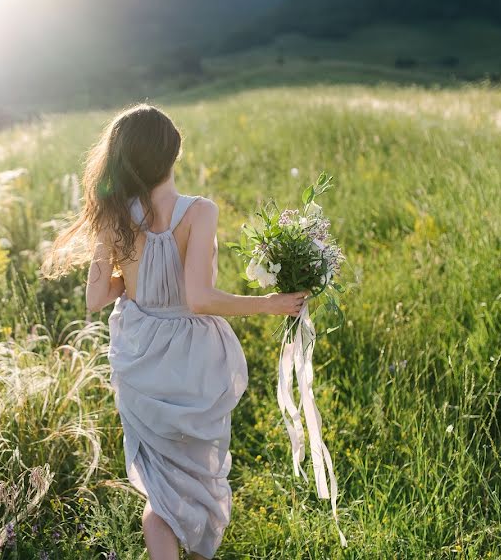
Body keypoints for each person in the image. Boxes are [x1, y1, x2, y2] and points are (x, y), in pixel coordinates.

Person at [42, 104, 308, 559]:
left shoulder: (114, 217)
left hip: (142, 352)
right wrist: (270, 304)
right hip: (191, 357)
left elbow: (95, 298)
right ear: (174, 152)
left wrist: (136, 277)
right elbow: (199, 299)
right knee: (198, 474)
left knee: (159, 490)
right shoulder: (198, 212)